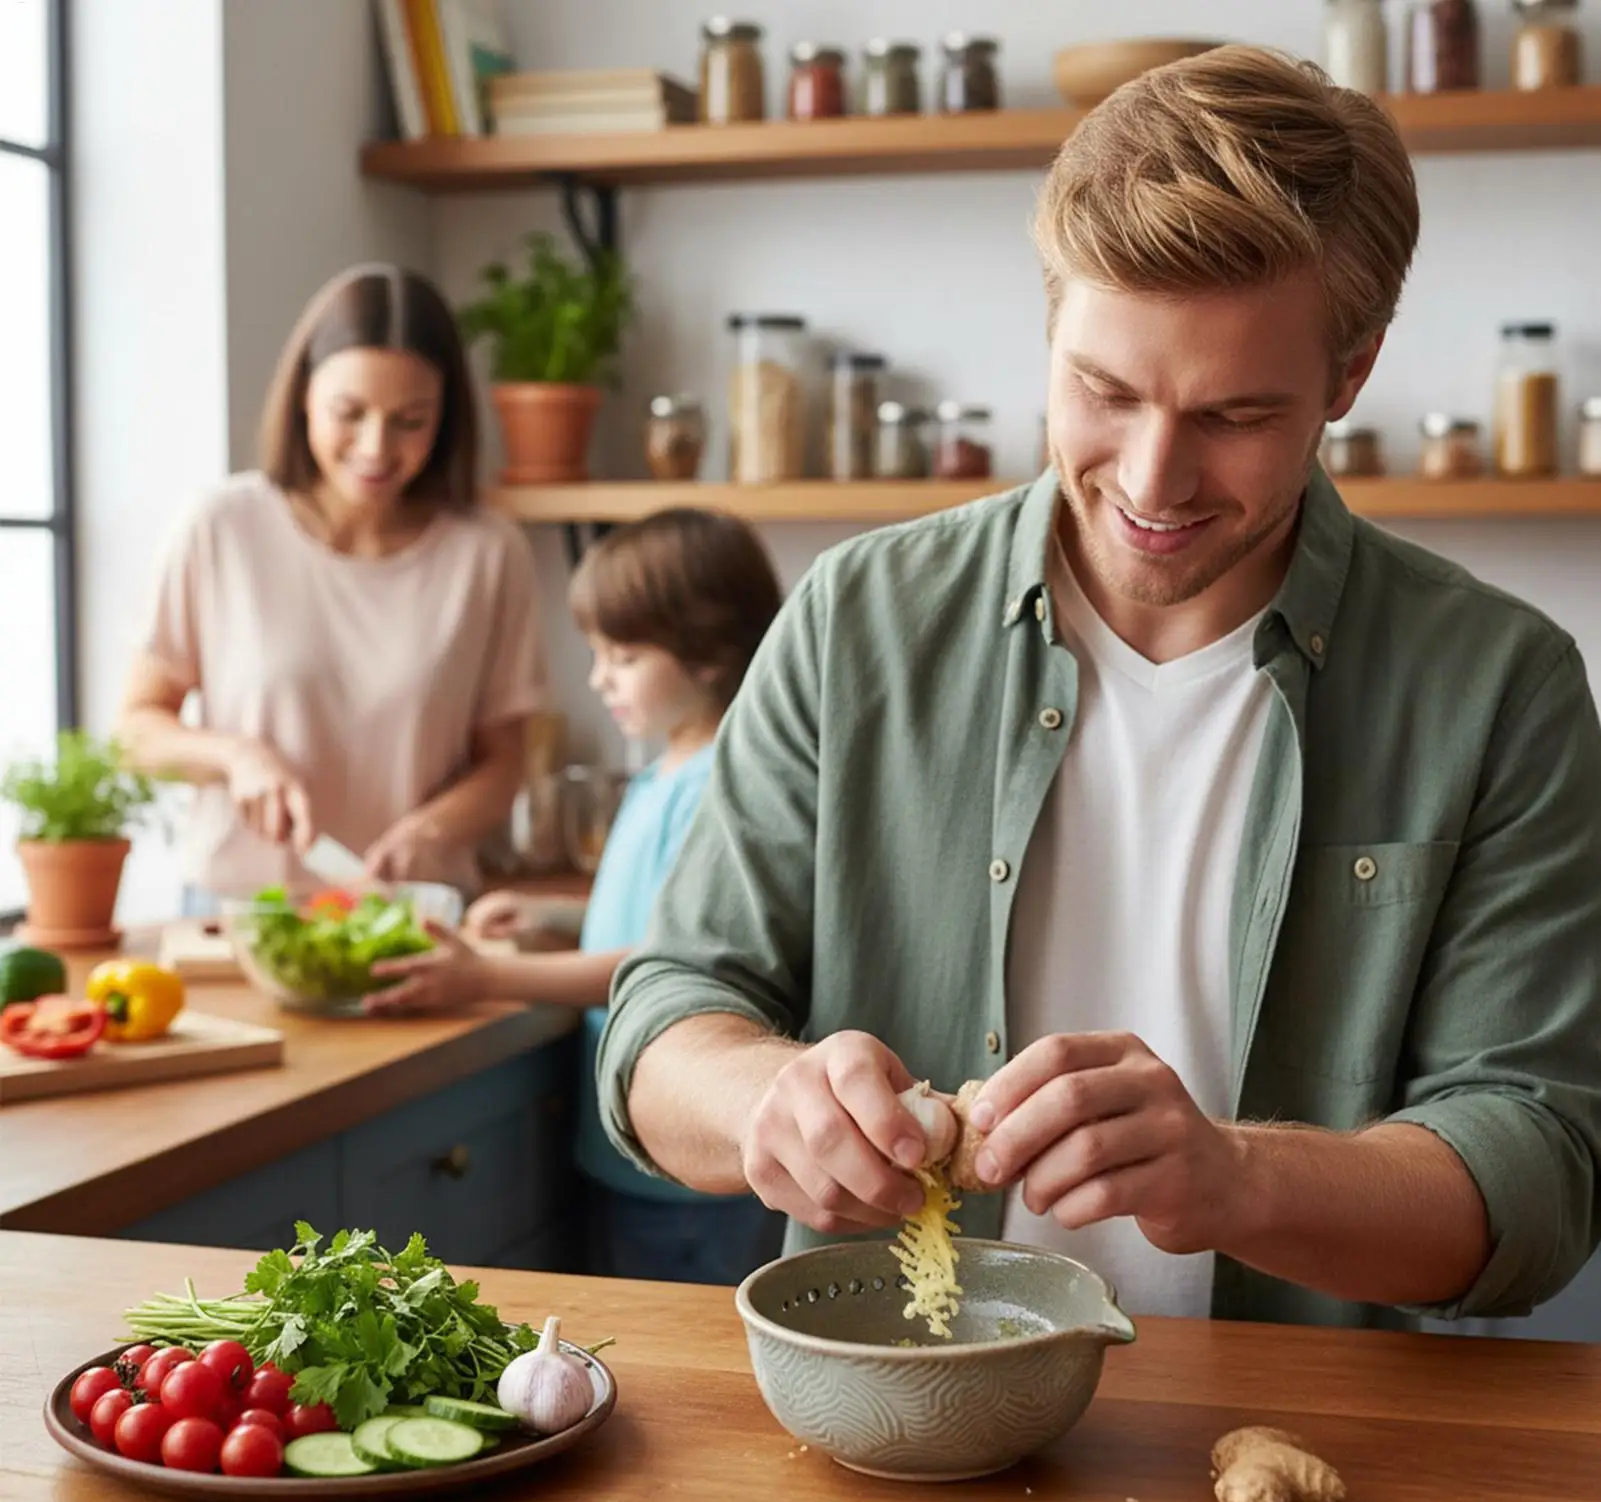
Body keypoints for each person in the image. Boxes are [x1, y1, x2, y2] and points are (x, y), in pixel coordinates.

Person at [593, 46, 1601, 1329]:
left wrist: (1234, 1176)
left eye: (1233, 414)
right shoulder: (857, 620)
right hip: (903, 1418)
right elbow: (665, 1023)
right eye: (1102, 391)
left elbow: (1537, 1170)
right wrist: (765, 1101)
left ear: (1347, 376)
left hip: (1309, 1451)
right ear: (1049, 325)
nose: (1151, 479)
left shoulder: (1496, 684)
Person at [367, 509, 789, 1287]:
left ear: (709, 654)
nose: (598, 678)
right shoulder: (664, 766)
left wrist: (484, 977)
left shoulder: (719, 785)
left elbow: (662, 964)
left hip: (687, 1163)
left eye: (622, 656)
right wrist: (552, 918)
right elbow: (652, 918)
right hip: (631, 1147)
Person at [117, 264, 544, 909]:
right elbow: (137, 732)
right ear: (303, 399)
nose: (376, 447)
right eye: (350, 413)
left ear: (446, 419)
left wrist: (432, 829)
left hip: (412, 916)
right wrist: (238, 759)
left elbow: (505, 760)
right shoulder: (221, 526)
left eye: (411, 420)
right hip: (239, 913)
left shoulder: (486, 552)